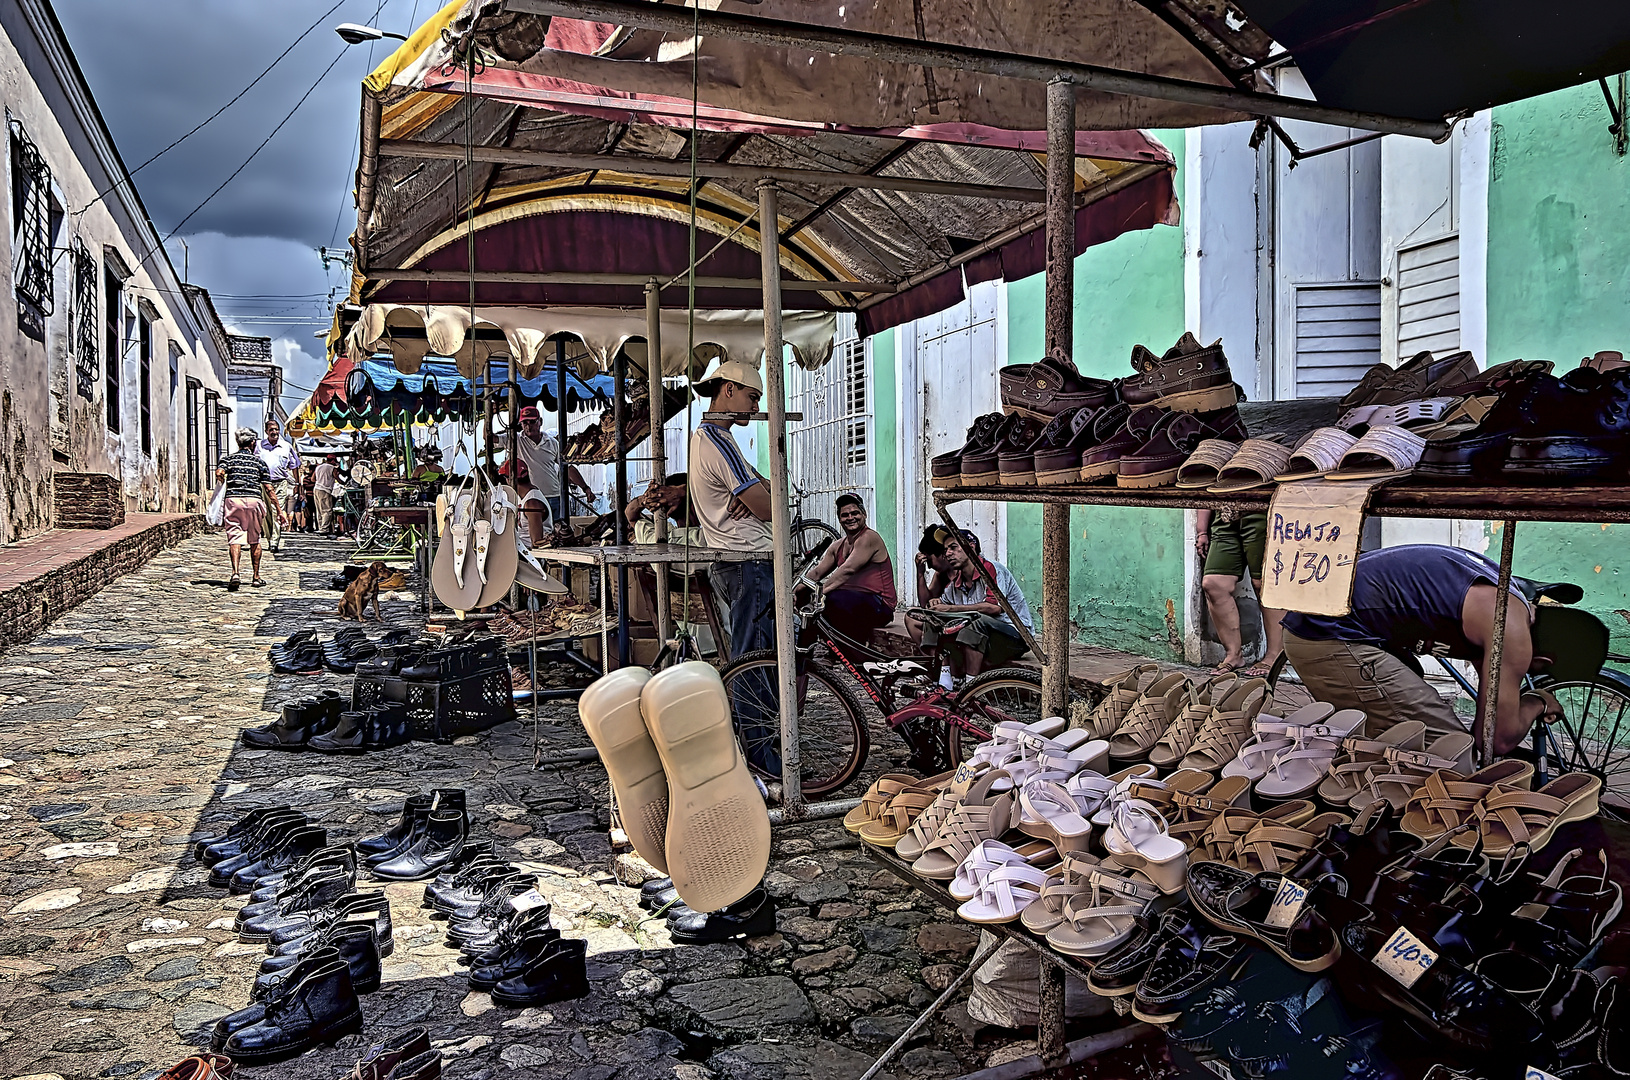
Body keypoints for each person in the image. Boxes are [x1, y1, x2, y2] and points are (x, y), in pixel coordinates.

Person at [1281, 544, 1572, 755]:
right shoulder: (1508, 628)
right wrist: (1536, 702)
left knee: (1409, 703)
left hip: (1333, 616)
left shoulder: (1510, 600)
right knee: (1452, 750)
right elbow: (1495, 741)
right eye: (1530, 671)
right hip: (1327, 634)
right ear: (1543, 659)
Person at [689, 358, 778, 771]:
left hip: (738, 560)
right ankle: (764, 762)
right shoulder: (718, 440)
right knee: (755, 664)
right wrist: (762, 492)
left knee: (754, 659)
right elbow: (769, 505)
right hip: (748, 560)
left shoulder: (707, 438)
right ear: (728, 390)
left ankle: (763, 754)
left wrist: (762, 490)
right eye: (750, 396)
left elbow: (766, 492)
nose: (752, 406)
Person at [906, 526, 1033, 679]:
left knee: (974, 621)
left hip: (1014, 637)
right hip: (984, 639)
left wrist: (950, 609)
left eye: (953, 547)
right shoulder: (954, 584)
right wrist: (936, 605)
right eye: (946, 550)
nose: (948, 553)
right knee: (934, 620)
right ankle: (944, 681)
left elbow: (994, 608)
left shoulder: (991, 569)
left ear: (970, 547)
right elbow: (940, 608)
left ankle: (970, 686)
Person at [798, 493, 897, 643]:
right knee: (805, 595)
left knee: (832, 599)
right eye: (845, 515)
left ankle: (854, 654)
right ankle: (804, 654)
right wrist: (793, 591)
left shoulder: (869, 538)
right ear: (839, 520)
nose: (850, 518)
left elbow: (847, 570)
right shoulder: (838, 546)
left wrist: (819, 594)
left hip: (880, 605)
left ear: (864, 514)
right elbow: (817, 573)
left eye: (855, 513)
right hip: (852, 600)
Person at [1196, 509, 1284, 677]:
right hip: (1224, 512)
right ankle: (1233, 655)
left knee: (1264, 585)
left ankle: (1275, 655)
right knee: (1214, 584)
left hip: (1262, 509)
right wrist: (1202, 530)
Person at [218, 427, 284, 591]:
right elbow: (269, 489)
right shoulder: (259, 462)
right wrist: (279, 511)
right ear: (253, 443)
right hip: (254, 501)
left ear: (238, 442)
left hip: (234, 501)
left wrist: (221, 480)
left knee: (234, 537)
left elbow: (220, 472)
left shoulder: (229, 459)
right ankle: (256, 577)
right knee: (254, 538)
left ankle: (235, 573)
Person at [516, 405, 592, 521]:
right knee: (533, 535)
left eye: (532, 422)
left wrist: (585, 488)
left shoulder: (552, 443)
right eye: (524, 423)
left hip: (553, 496)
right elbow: (489, 437)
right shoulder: (516, 440)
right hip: (529, 498)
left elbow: (568, 467)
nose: (528, 426)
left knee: (558, 533)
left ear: (540, 422)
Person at [255, 418, 300, 553]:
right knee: (265, 512)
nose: (274, 432)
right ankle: (270, 538)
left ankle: (274, 541)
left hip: (280, 482)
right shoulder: (259, 446)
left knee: (277, 511)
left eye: (276, 429)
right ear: (266, 431)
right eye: (271, 430)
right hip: (263, 483)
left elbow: (295, 466)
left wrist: (297, 483)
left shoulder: (286, 446)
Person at [624, 473, 703, 546]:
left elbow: (630, 515)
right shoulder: (705, 539)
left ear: (667, 513)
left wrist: (646, 498)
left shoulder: (654, 538)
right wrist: (684, 491)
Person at [312, 457, 337, 535]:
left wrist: (320, 480)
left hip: (316, 489)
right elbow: (336, 477)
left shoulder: (318, 467)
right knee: (327, 510)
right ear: (332, 460)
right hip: (325, 490)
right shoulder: (332, 468)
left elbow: (313, 479)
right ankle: (324, 528)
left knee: (319, 510)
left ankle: (320, 527)